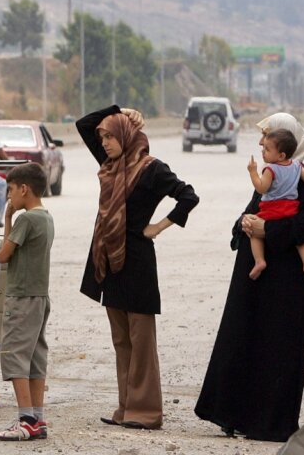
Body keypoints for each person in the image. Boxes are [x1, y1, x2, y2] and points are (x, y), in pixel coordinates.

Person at [195, 112, 304, 442]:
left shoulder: (299, 176)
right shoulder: (272, 175)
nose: (260, 144)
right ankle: (235, 415)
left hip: (287, 283)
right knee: (244, 341)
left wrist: (268, 229)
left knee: (278, 349)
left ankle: (271, 424)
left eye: (266, 137)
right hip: (259, 278)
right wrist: (245, 223)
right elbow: (253, 208)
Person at [77, 105, 199, 431]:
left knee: (141, 341)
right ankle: (126, 407)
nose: (102, 141)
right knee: (121, 341)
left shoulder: (151, 169)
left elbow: (188, 196)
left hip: (138, 263)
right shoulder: (110, 165)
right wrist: (120, 110)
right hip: (111, 263)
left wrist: (158, 226)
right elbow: (84, 124)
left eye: (109, 135)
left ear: (126, 136)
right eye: (101, 137)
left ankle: (146, 412)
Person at [0, 162, 54, 441]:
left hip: (22, 297)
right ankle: (37, 418)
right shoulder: (46, 216)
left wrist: (7, 219)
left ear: (24, 189)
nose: (9, 197)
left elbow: (3, 256)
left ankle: (26, 419)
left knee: (16, 354)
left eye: (11, 190)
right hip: (40, 297)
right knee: (35, 356)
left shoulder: (26, 219)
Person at [246, 128, 304, 283]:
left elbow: (261, 188)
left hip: (271, 211)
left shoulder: (270, 169)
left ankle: (259, 260)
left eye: (267, 147)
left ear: (281, 154)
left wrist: (253, 173)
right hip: (291, 209)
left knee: (254, 233)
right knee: (301, 240)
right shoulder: (297, 166)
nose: (261, 146)